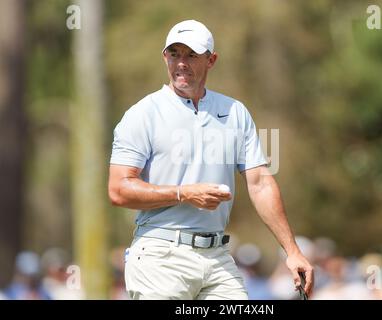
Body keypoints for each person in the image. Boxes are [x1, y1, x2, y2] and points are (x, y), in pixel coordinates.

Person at [108, 19, 314, 300]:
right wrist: (183, 193)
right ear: (164, 57)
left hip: (217, 257)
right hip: (160, 255)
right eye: (174, 54)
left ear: (211, 60)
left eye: (191, 55)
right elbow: (119, 189)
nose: (181, 62)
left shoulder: (235, 112)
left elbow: (260, 184)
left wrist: (292, 251)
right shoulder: (143, 114)